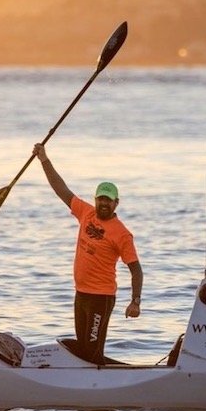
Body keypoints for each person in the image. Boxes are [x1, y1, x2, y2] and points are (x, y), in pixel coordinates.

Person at [33, 142, 142, 364]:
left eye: (108, 200)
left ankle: (102, 387)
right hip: (81, 294)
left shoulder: (122, 234)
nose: (103, 203)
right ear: (95, 199)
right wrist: (44, 160)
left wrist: (135, 301)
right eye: (100, 198)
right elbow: (60, 189)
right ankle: (90, 384)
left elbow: (136, 270)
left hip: (101, 298)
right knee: (83, 350)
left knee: (92, 353)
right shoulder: (86, 213)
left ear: (116, 203)